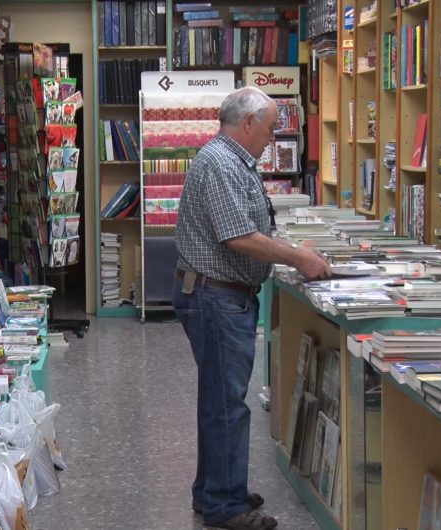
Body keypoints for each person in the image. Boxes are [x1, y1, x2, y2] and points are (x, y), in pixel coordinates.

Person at [173, 86, 331, 530]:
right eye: (269, 128)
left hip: (217, 294)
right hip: (216, 297)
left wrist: (289, 247)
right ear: (247, 123)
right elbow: (236, 236)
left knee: (219, 400)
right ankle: (226, 505)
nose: (273, 138)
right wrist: (297, 256)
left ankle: (215, 490)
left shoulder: (228, 159)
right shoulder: (222, 163)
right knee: (226, 404)